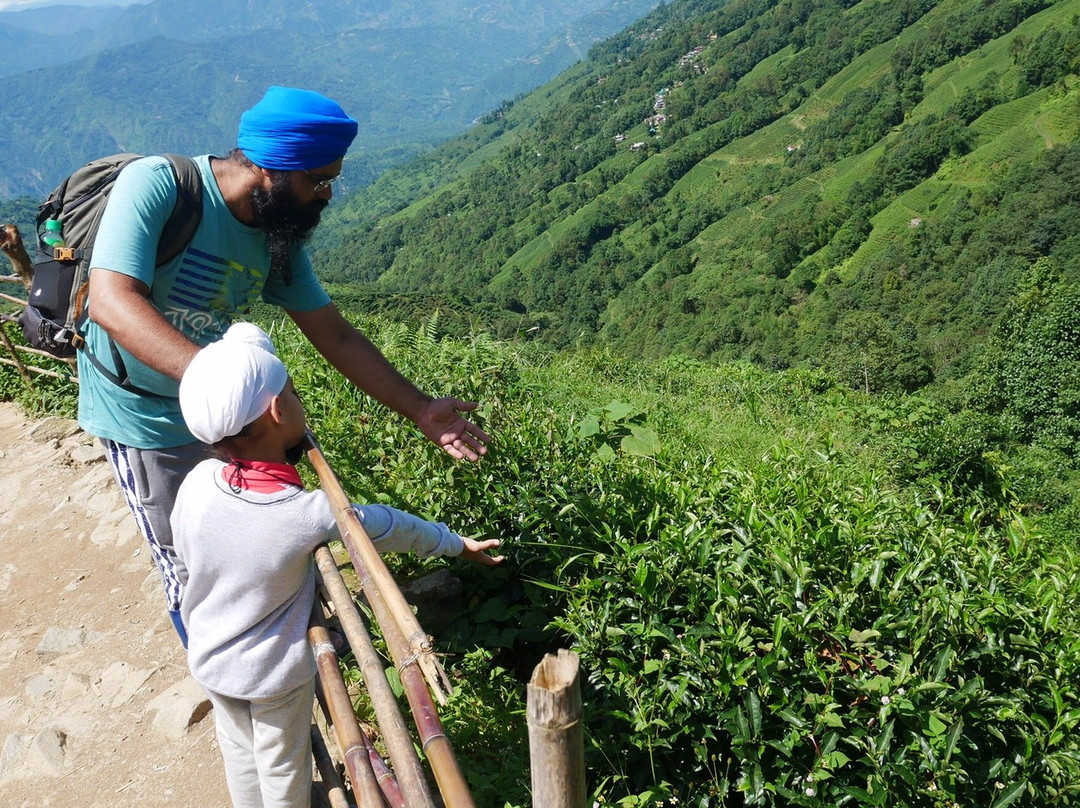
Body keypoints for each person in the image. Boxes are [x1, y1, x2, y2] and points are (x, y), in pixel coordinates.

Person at [77, 86, 490, 638]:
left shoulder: (277, 233)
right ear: (273, 168)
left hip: (233, 415)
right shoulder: (159, 185)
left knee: (255, 545)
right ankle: (227, 682)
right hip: (144, 417)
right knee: (189, 570)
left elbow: (334, 334)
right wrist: (220, 383)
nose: (327, 195)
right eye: (318, 180)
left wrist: (419, 408)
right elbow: (111, 301)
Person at [171, 323, 503, 808]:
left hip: (209, 655)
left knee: (240, 754)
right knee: (284, 769)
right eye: (291, 390)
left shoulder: (198, 482)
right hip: (271, 676)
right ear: (279, 410)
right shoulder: (303, 515)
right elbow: (388, 525)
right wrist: (457, 545)